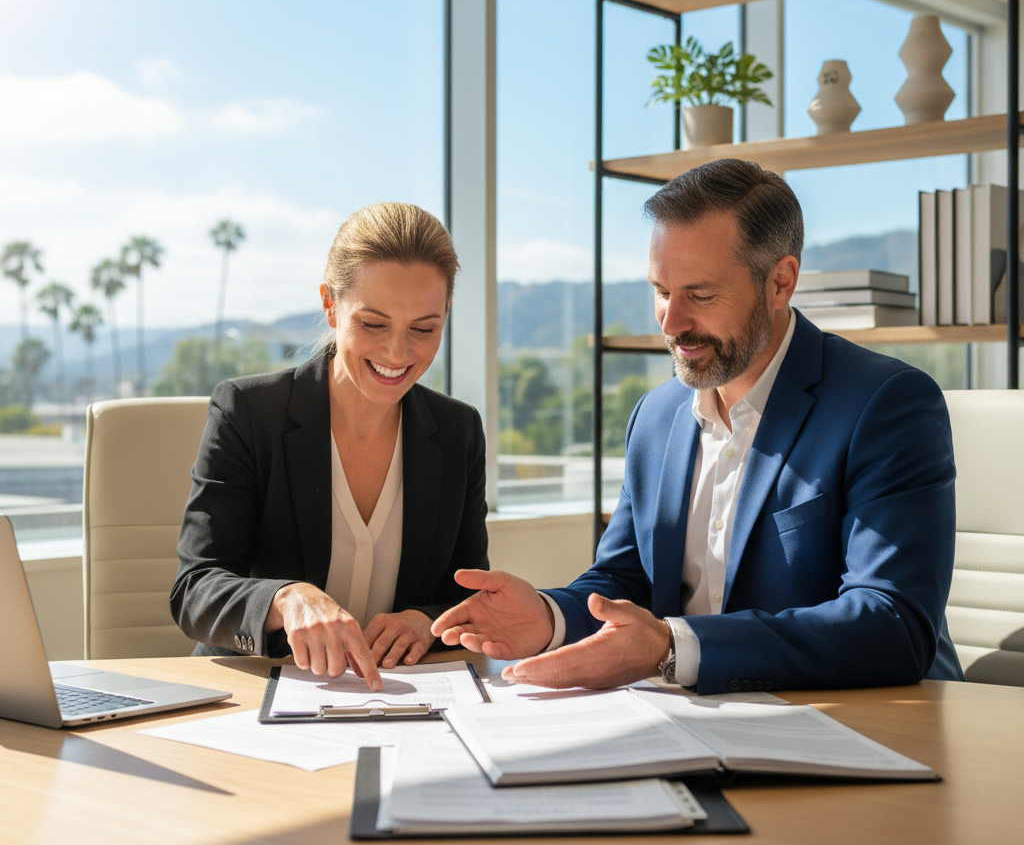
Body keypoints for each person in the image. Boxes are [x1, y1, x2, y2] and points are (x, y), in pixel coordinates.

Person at [433, 158, 963, 695]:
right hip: (696, 722)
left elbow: (892, 623)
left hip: (872, 724)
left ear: (780, 283)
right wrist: (550, 617)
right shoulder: (656, 416)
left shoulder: (886, 404)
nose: (670, 321)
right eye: (661, 290)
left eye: (700, 296)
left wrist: (674, 648)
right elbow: (625, 580)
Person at [171, 202, 488, 690]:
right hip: (258, 690)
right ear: (329, 304)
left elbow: (466, 592)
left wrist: (427, 621)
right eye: (374, 324)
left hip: (400, 698)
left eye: (424, 329)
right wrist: (285, 599)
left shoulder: (457, 430)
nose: (398, 353)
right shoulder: (249, 413)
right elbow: (195, 590)